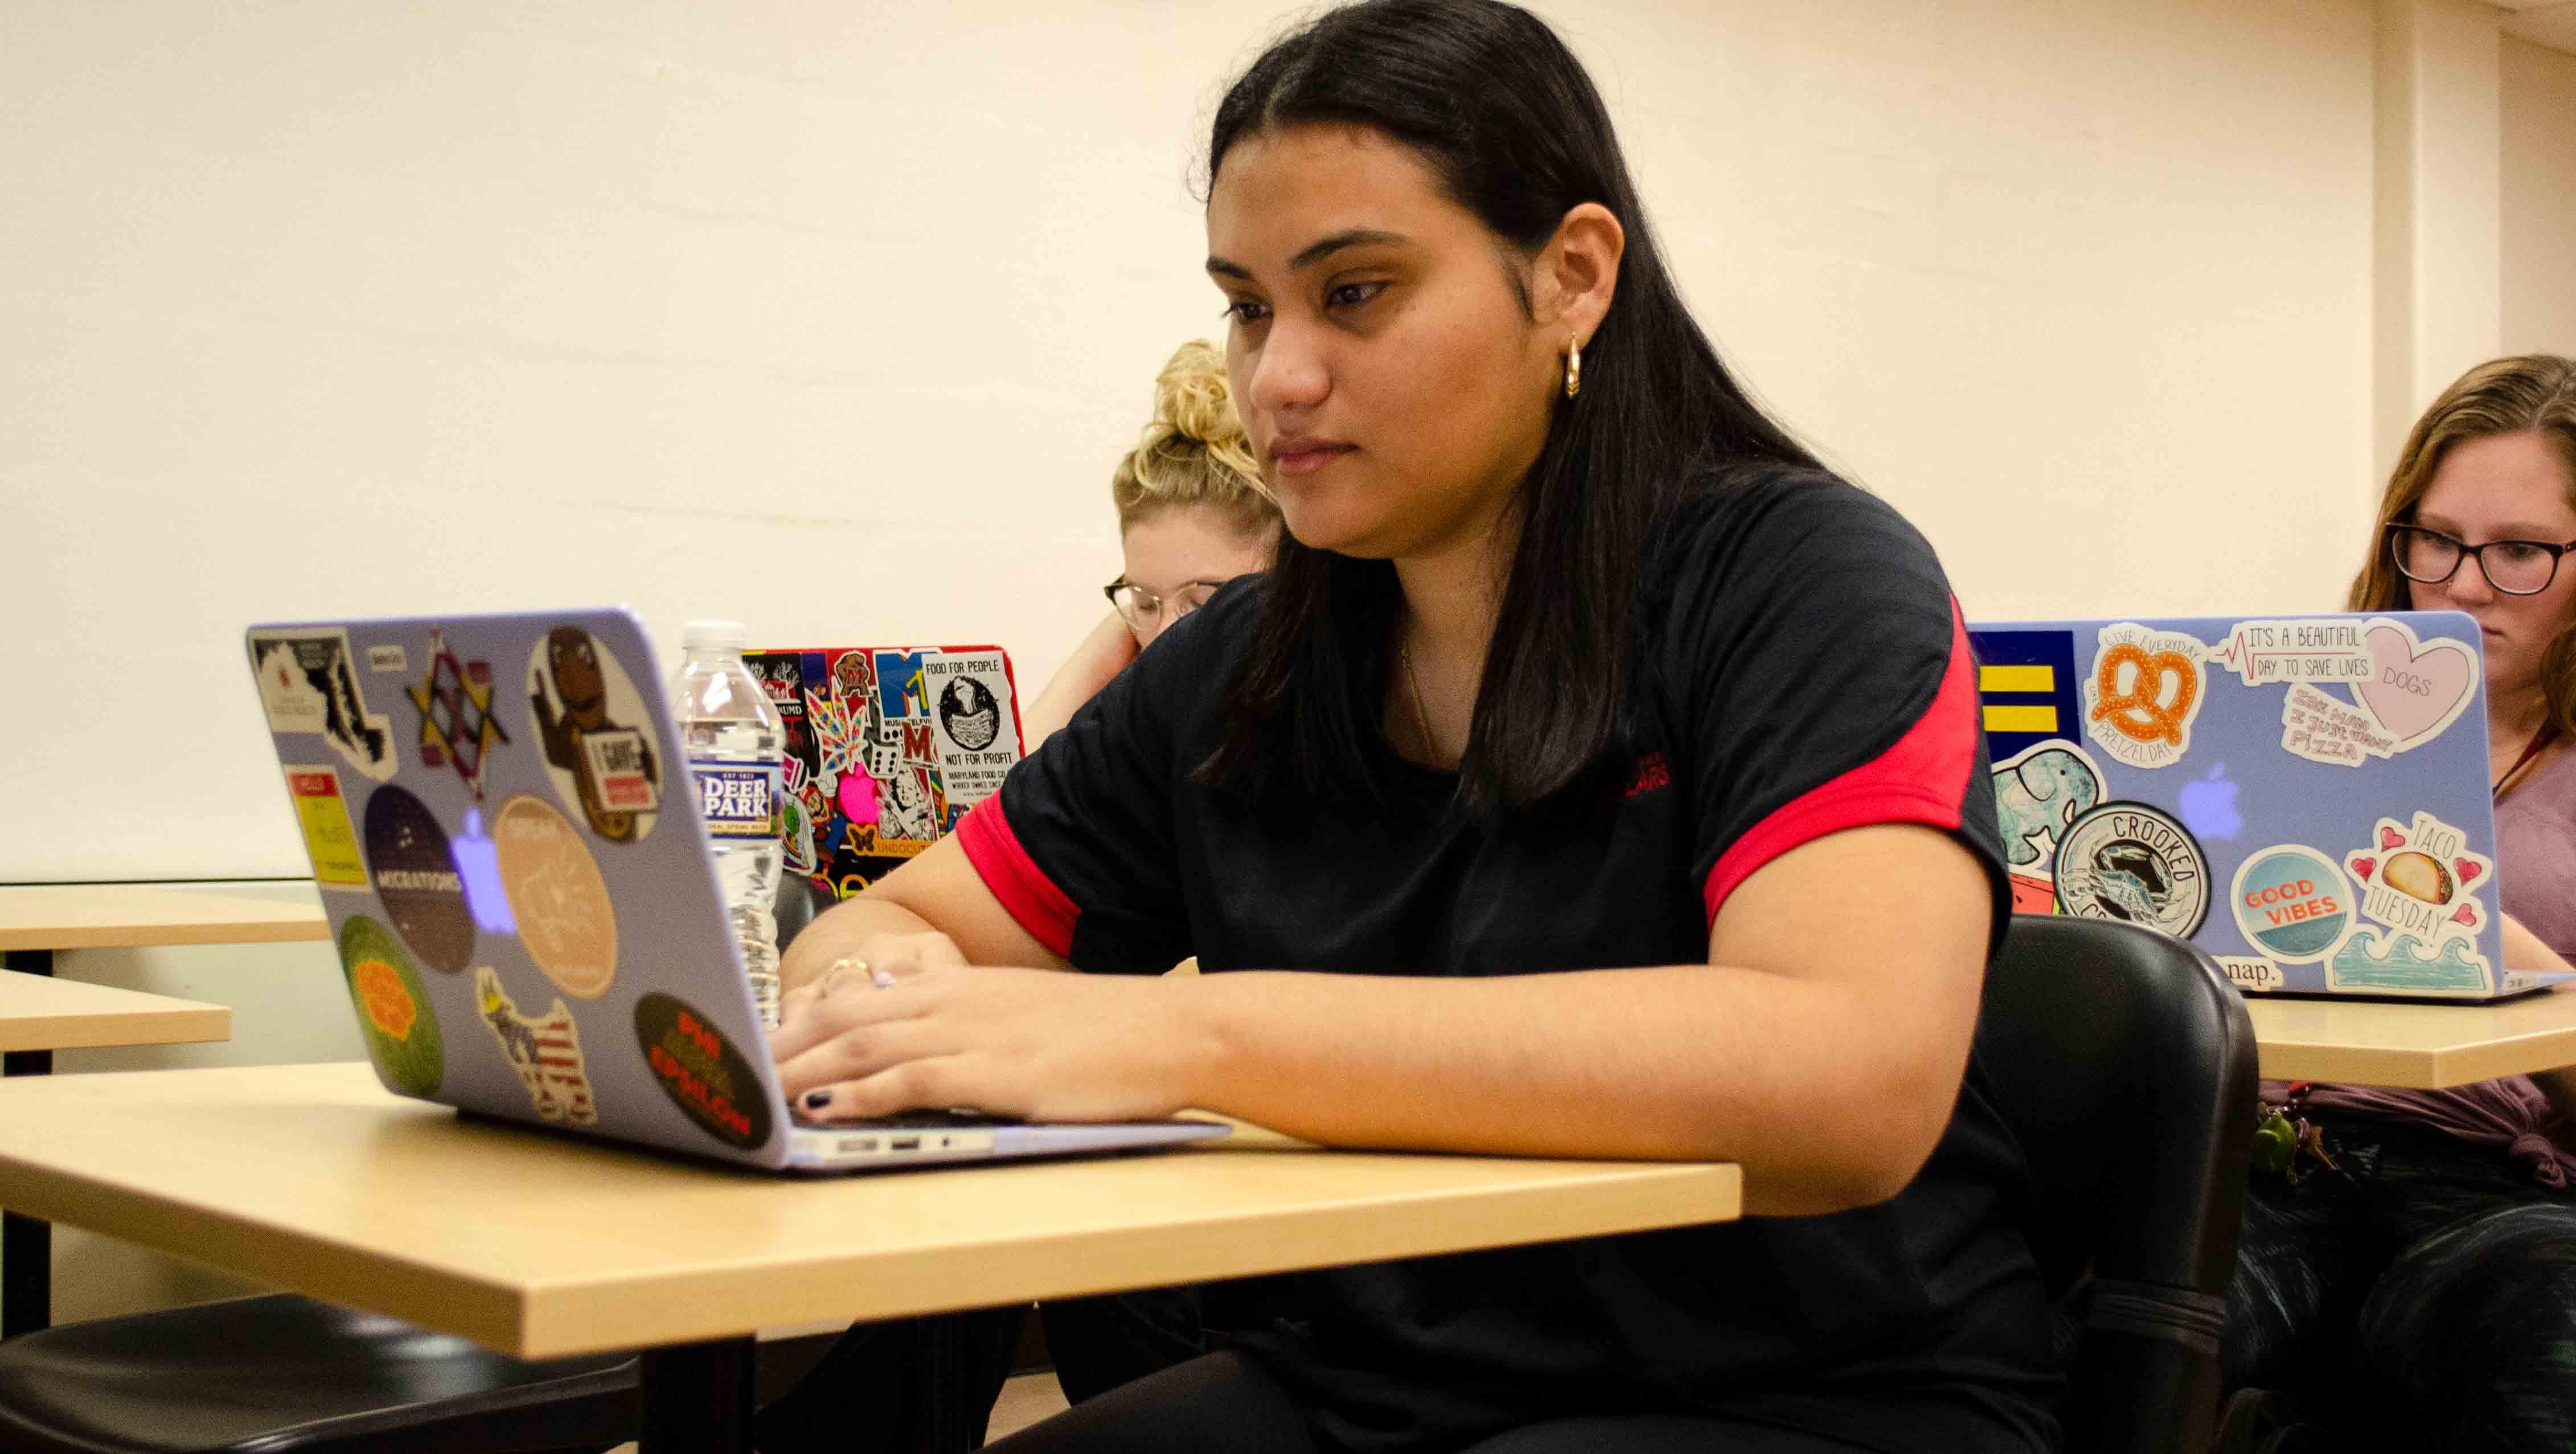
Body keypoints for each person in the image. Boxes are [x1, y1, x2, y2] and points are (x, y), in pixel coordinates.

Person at [771, 2, 2062, 1449]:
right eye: (1250, 305)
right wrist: (877, 992)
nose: (1277, 377)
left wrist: (1177, 1030)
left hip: (1816, 1397)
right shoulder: (1240, 662)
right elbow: (907, 917)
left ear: (1570, 279)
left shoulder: (1802, 576)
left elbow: (1849, 1074)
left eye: (1358, 292)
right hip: (1381, 1382)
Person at [754, 346, 1286, 1452]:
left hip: (1257, 1224)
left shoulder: (1307, 742)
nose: (1171, 635)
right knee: (995, 1154)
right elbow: (1002, 834)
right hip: (1162, 1198)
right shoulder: (1168, 721)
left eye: (1210, 600)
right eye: (1144, 597)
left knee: (1047, 1192)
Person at [2220, 354, 2576, 1453]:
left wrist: (2514, 966)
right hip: (2263, 1150)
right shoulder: (2280, 726)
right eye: (2434, 539)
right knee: (2069, 1291)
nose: (2464, 583)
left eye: (2518, 551)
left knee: (2539, 1307)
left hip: (2481, 1184)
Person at [1021, 338, 1283, 744]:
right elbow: (1003, 794)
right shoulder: (1146, 734)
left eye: (1199, 603)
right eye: (1144, 603)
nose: (1162, 638)